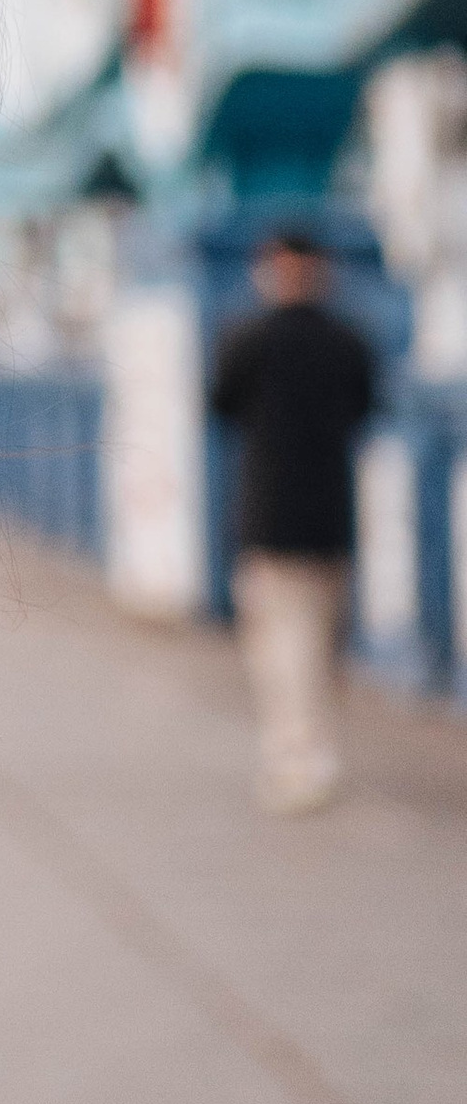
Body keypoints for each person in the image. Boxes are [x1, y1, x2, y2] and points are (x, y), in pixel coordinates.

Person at [210, 225, 377, 814]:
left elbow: (219, 405)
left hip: (267, 514)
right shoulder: (348, 339)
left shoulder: (246, 337)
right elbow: (366, 408)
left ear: (270, 270)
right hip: (332, 515)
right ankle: (317, 750)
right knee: (325, 642)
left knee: (280, 645)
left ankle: (294, 759)